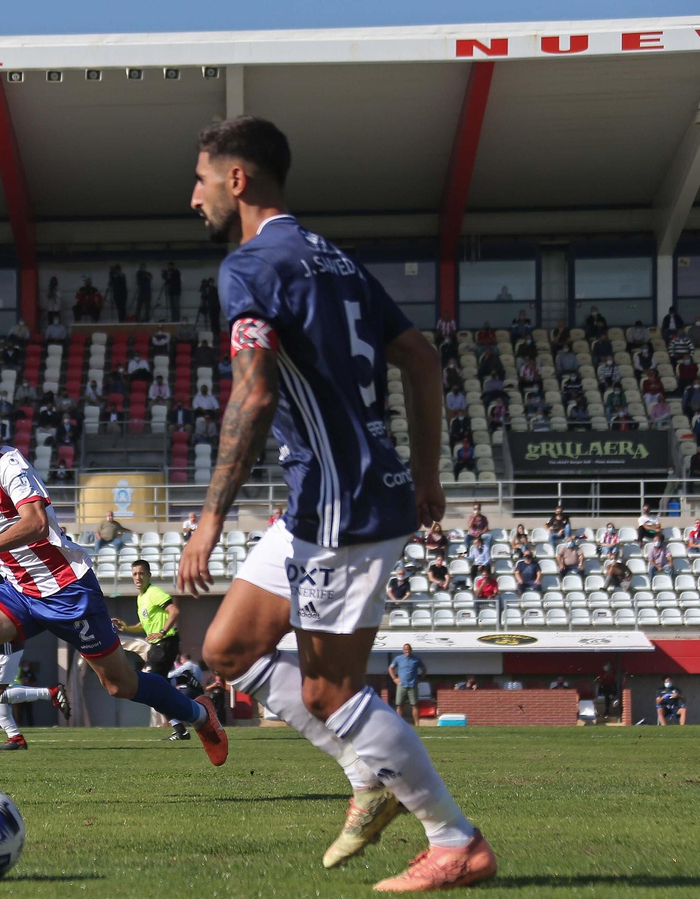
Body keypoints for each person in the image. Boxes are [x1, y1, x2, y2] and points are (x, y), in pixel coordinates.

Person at [176, 117, 491, 888]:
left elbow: (252, 393)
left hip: (339, 501)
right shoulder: (337, 260)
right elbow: (419, 356)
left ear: (238, 180)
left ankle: (454, 839)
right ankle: (366, 773)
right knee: (224, 652)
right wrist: (425, 472)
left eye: (202, 179)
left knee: (328, 689)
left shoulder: (249, 266)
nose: (194, 197)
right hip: (329, 496)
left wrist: (210, 514)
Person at [0, 401, 224, 784]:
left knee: (120, 685)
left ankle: (200, 715)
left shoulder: (10, 467)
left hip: (68, 590)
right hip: (19, 591)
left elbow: (34, 524)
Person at [112, 559, 189, 737]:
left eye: (141, 573)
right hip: (158, 645)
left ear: (148, 575)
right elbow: (145, 624)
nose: (137, 577)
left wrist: (162, 631)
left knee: (148, 685)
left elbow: (174, 611)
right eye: (134, 574)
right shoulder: (141, 598)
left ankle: (182, 680)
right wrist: (128, 628)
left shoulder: (154, 592)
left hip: (166, 642)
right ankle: (180, 729)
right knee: (154, 690)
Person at [388, 645, 427, 725]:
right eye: (405, 649)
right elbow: (390, 668)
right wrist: (394, 678)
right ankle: (399, 724)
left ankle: (417, 724)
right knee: (399, 705)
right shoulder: (398, 659)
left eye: (408, 649)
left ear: (411, 650)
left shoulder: (416, 659)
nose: (407, 651)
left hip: (412, 685)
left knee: (414, 705)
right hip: (401, 685)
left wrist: (420, 679)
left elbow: (424, 669)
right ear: (403, 650)